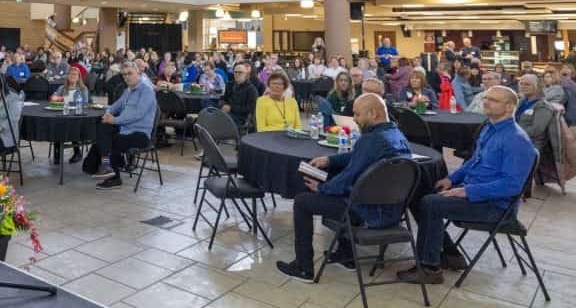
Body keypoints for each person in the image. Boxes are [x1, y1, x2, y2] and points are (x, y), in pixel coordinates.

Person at [398, 86, 536, 285]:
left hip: (495, 207)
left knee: (430, 203)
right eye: (486, 98)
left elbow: (512, 186)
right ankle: (451, 255)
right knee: (419, 193)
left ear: (509, 107)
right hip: (475, 194)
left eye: (494, 100)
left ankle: (429, 268)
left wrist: (466, 191)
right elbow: (474, 161)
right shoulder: (489, 127)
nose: (486, 102)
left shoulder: (516, 140)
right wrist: (452, 180)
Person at [277, 94, 412, 282]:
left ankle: (303, 267)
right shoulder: (397, 136)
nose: (354, 119)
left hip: (366, 213)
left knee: (303, 201)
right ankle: (346, 255)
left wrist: (322, 188)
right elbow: (359, 156)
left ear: (373, 114)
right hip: (392, 211)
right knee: (331, 177)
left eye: (357, 114)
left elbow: (348, 178)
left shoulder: (370, 140)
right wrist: (330, 160)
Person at [91, 62, 157, 190]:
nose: (126, 77)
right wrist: (107, 113)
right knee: (103, 127)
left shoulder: (147, 91)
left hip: (141, 135)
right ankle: (108, 166)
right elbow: (116, 106)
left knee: (110, 140)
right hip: (125, 130)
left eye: (130, 73)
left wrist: (115, 120)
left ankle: (114, 177)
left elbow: (138, 114)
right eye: (124, 75)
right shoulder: (128, 91)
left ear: (139, 73)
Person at [55, 66, 89, 163]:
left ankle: (77, 152)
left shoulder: (83, 89)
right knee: (56, 124)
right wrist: (56, 98)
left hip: (76, 116)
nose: (72, 76)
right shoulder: (61, 88)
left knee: (74, 125)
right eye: (70, 74)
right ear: (67, 76)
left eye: (75, 74)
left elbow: (85, 104)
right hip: (63, 114)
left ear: (79, 77)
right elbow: (56, 100)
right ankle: (57, 153)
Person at [515, 73, 554, 153]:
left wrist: (513, 134)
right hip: (515, 140)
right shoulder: (520, 102)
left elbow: (536, 130)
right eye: (521, 83)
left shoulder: (543, 106)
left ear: (537, 87)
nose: (523, 86)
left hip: (530, 145)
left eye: (527, 84)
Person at [220, 62, 258, 129]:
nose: (237, 74)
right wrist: (223, 105)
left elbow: (250, 108)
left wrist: (231, 108)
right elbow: (223, 98)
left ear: (246, 74)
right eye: (235, 72)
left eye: (240, 72)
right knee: (211, 111)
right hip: (228, 112)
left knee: (219, 119)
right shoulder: (229, 85)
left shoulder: (251, 89)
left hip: (241, 117)